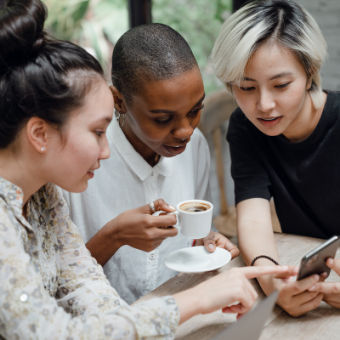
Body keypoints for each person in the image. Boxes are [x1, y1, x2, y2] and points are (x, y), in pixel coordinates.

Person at [0, 0, 296, 339]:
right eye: (98, 131)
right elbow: (51, 332)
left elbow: (83, 286)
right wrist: (195, 301)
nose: (107, 148)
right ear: (39, 134)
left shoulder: (43, 197)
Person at [63, 23, 240, 304]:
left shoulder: (195, 147)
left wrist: (208, 240)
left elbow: (196, 237)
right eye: (162, 119)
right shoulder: (78, 165)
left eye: (195, 111)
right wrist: (113, 236)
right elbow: (54, 286)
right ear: (118, 101)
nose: (185, 131)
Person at [210, 0, 340, 317]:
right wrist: (271, 282)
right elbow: (253, 216)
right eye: (246, 87)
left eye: (281, 85)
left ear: (310, 74)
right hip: (308, 268)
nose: (264, 105)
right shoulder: (245, 126)